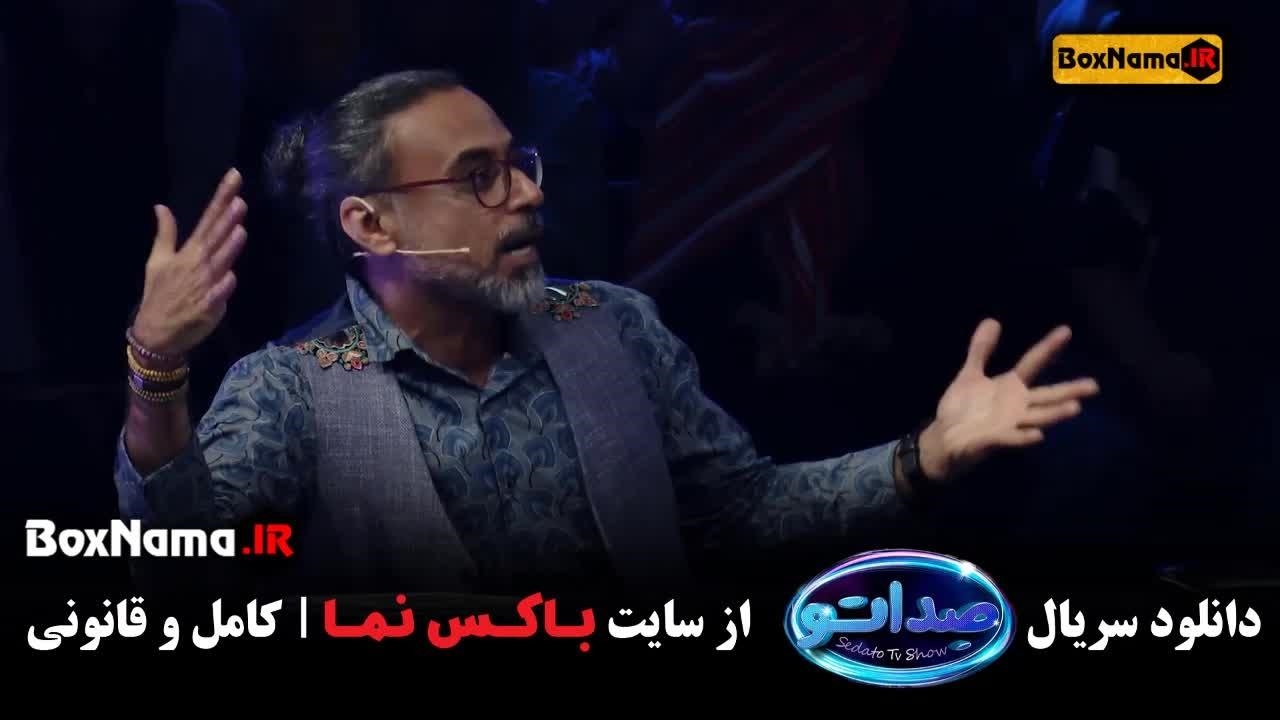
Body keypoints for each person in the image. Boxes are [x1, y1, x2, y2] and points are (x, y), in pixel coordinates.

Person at [114, 70, 1098, 598]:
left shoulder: (612, 324)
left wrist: (923, 457)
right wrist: (158, 368)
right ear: (372, 226)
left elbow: (741, 513)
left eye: (520, 163)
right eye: (478, 177)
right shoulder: (292, 383)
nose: (527, 193)